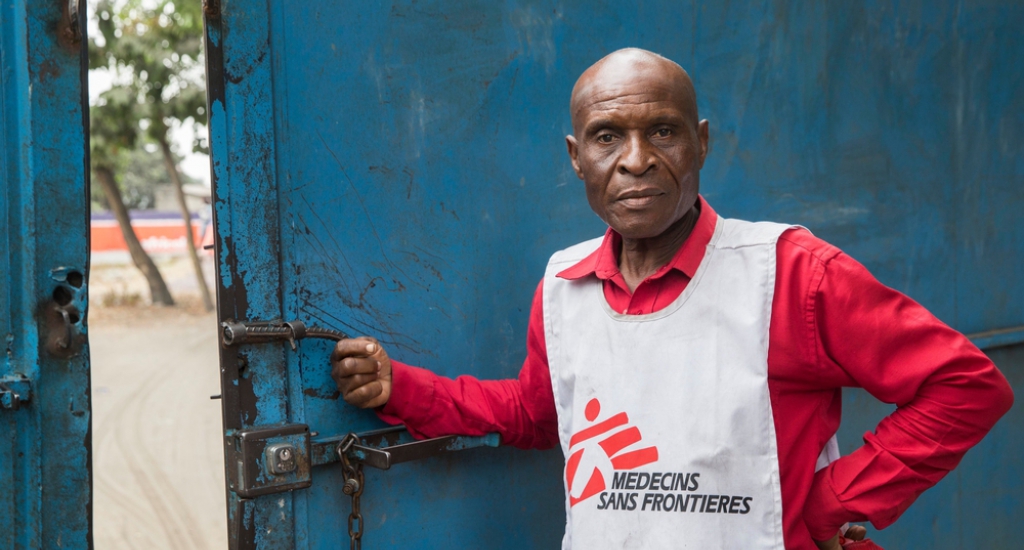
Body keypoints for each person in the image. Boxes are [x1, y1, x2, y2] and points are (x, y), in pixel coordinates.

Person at [329, 48, 1013, 549]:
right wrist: (402, 389)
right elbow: (540, 414)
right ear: (576, 157)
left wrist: (831, 502)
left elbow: (963, 385)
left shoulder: (790, 273)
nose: (635, 160)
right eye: (607, 136)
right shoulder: (564, 283)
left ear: (701, 143)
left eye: (662, 131)